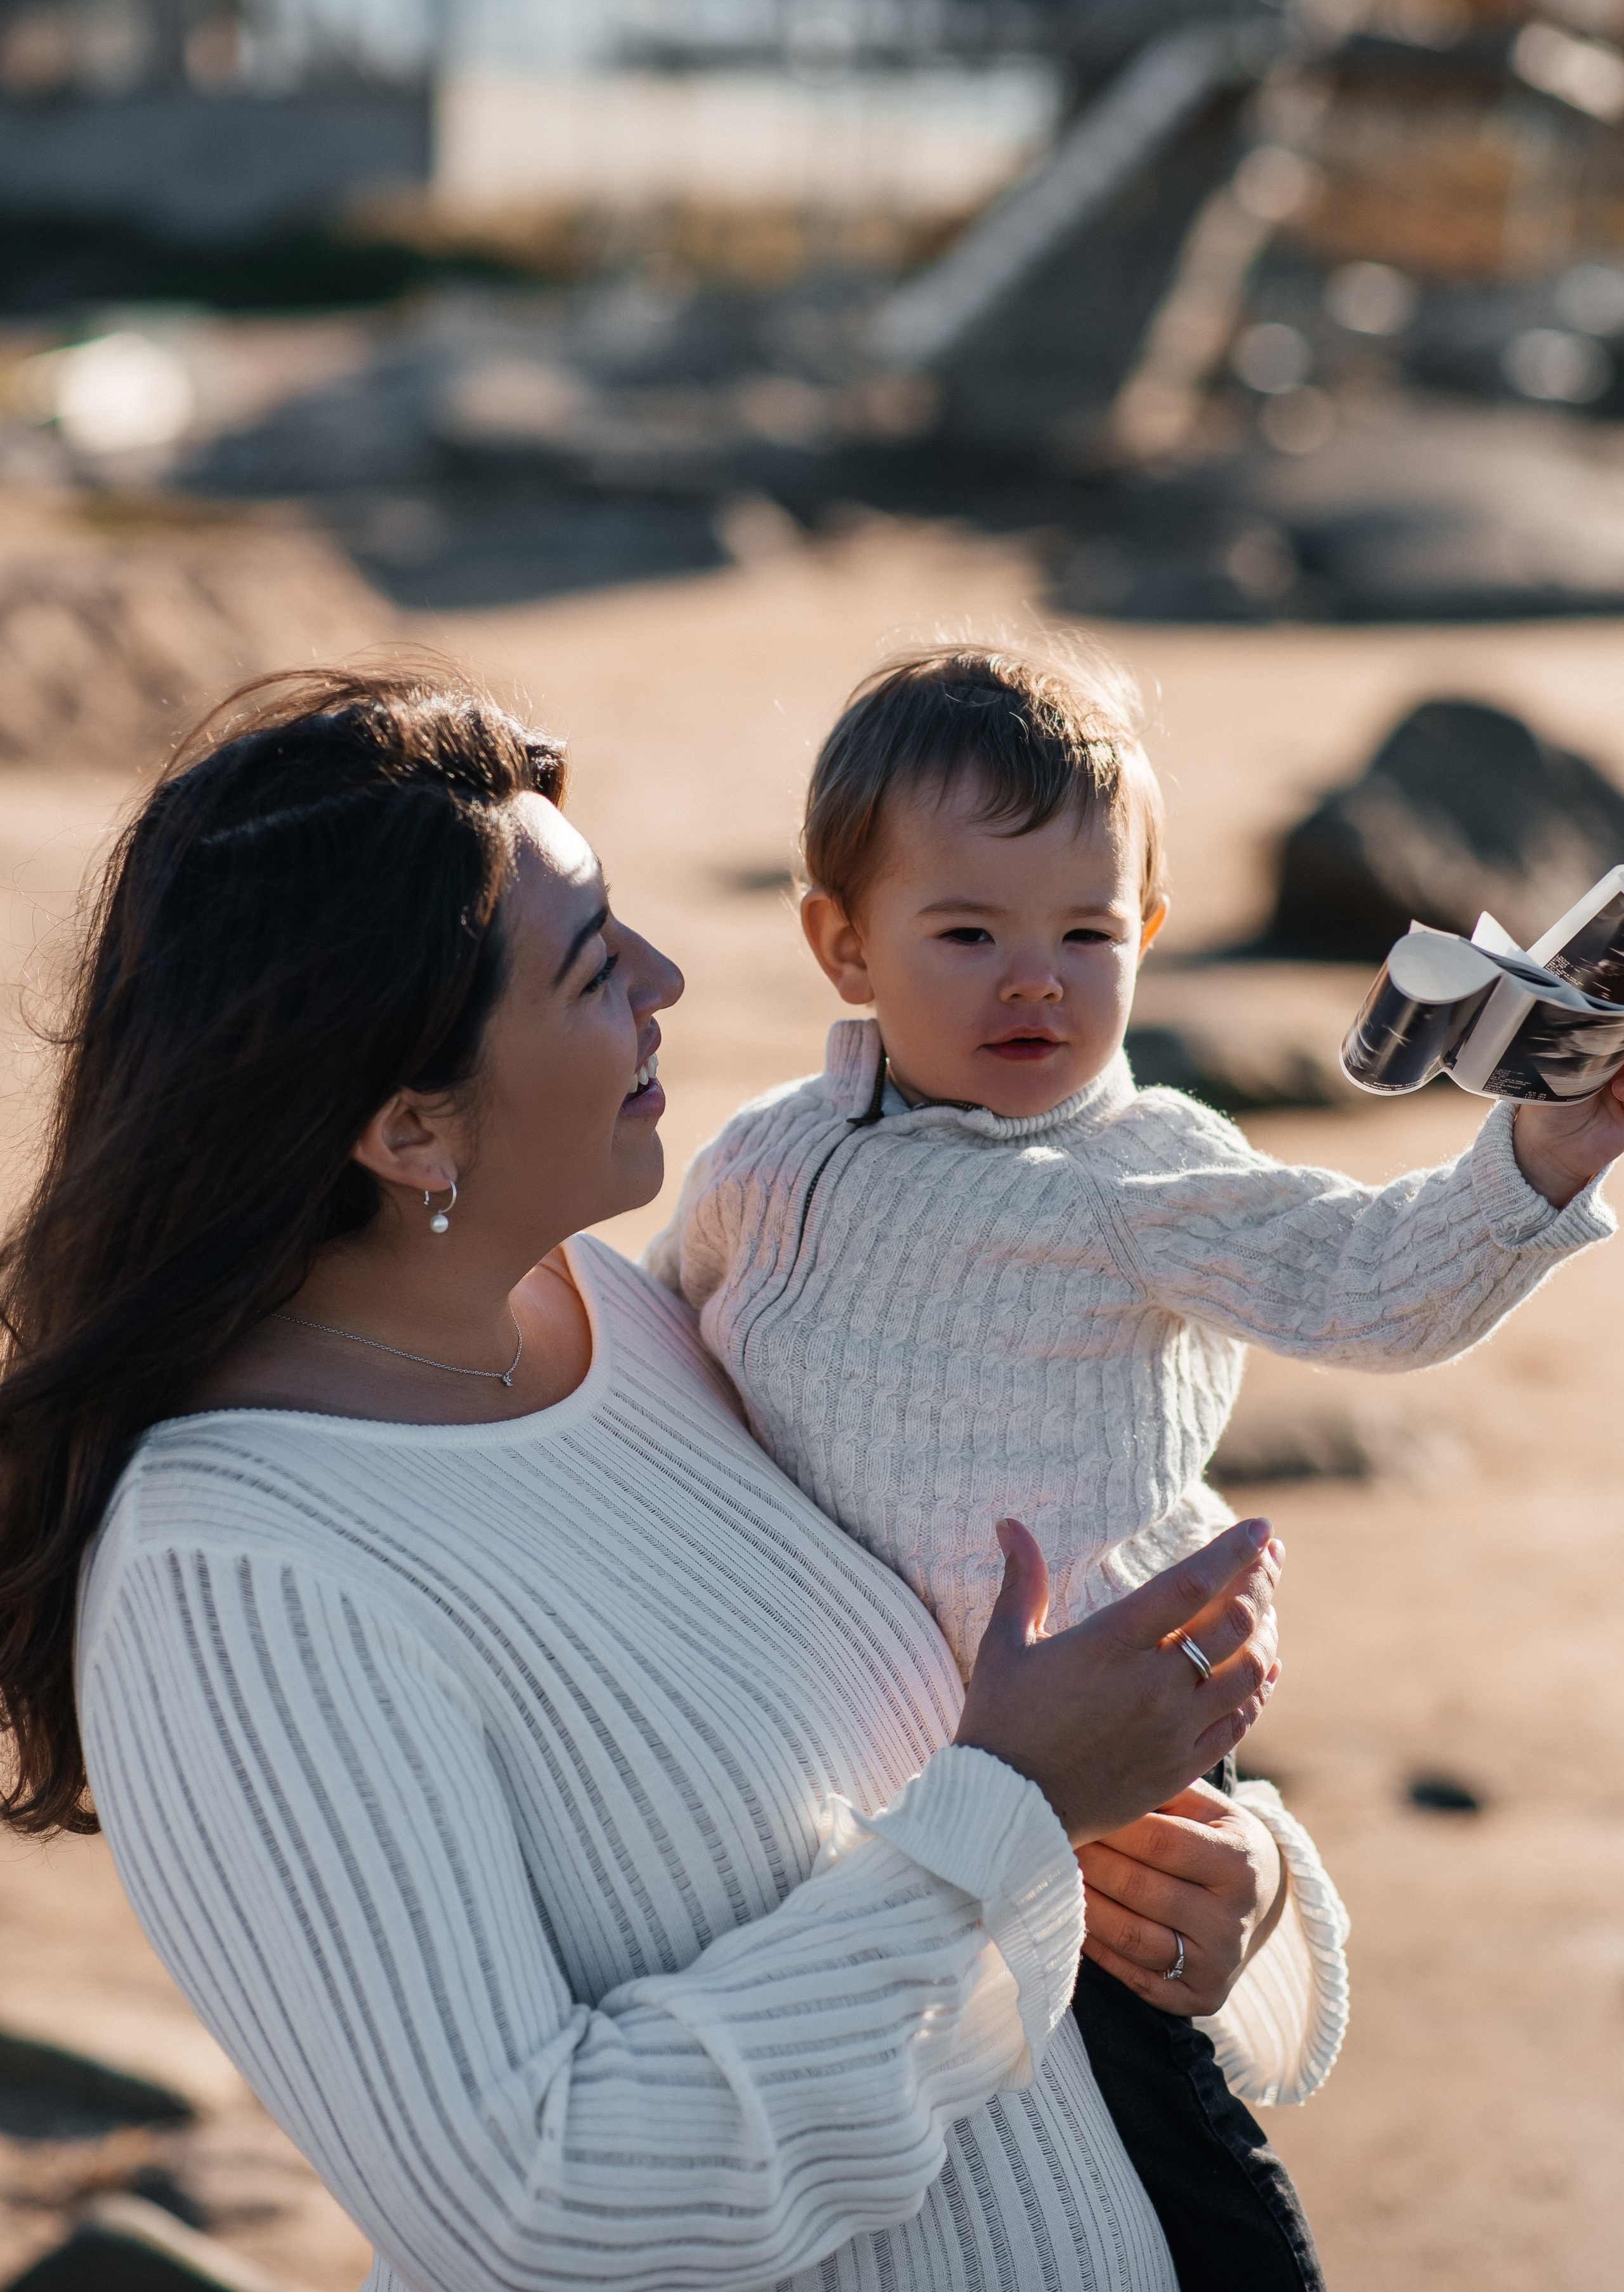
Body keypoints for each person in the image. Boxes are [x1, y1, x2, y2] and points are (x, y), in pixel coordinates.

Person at [0, 659, 1319, 2292]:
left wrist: (1220, 1895)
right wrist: (1020, 1811)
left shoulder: (629, 1311)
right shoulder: (241, 1584)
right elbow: (542, 2206)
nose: (668, 975)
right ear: (410, 1130)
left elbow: (932, 1770)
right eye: (587, 964)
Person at [645, 641, 1624, 2288]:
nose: (1036, 979)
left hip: (1114, 1778)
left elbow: (1368, 1284)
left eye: (1088, 934)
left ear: (1147, 937)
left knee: (1172, 2167)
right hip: (844, 1784)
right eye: (969, 933)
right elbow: (656, 1370)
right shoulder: (767, 1159)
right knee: (898, 2183)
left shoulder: (1141, 1171)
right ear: (844, 942)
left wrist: (1537, 1153)